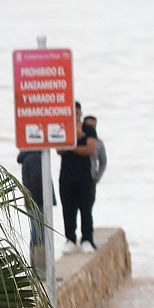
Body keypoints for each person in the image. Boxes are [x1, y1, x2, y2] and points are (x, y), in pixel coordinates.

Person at [57, 104, 99, 253]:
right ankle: (70, 239)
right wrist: (74, 139)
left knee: (86, 209)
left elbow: (90, 149)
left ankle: (87, 239)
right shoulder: (63, 128)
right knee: (68, 209)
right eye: (72, 113)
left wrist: (70, 145)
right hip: (66, 175)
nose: (75, 115)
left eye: (77, 112)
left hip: (84, 176)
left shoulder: (89, 129)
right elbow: (59, 150)